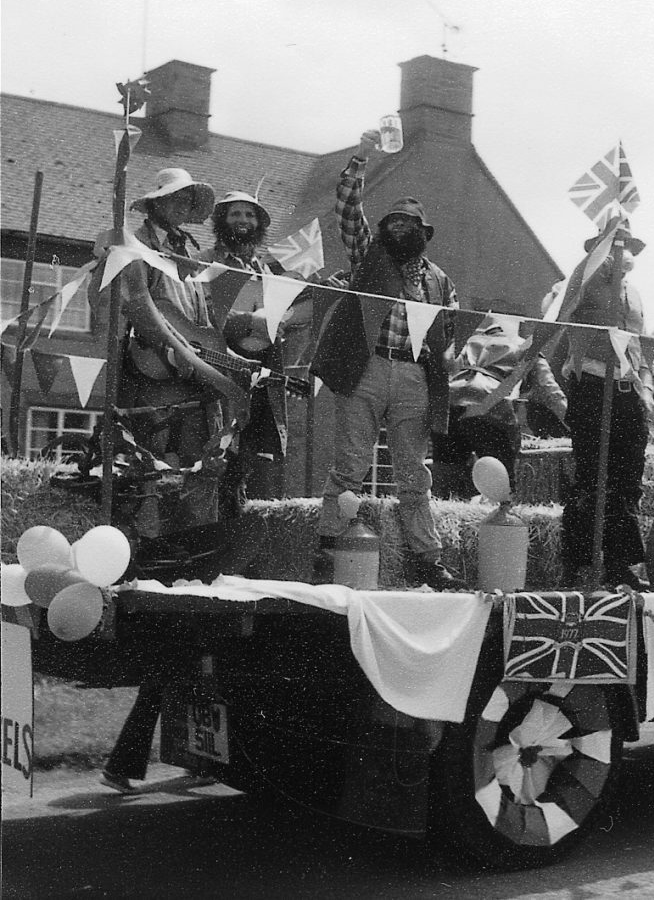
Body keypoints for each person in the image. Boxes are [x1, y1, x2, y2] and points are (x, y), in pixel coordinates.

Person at [98, 168, 225, 794]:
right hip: (157, 380)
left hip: (189, 387)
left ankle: (179, 554)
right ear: (155, 201)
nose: (182, 206)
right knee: (155, 482)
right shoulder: (136, 242)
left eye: (187, 199)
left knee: (197, 485)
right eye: (173, 197)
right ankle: (153, 557)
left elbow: (197, 319)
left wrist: (221, 363)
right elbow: (145, 314)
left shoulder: (190, 254)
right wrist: (201, 364)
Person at [311, 128, 463, 590]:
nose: (398, 227)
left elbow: (450, 332)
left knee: (414, 474)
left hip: (416, 376)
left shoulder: (440, 281)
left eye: (407, 224)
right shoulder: (367, 256)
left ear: (423, 232)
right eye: (392, 222)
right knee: (350, 464)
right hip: (368, 367)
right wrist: (361, 155)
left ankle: (427, 558)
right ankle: (327, 548)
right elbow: (347, 207)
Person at [560, 218, 654, 591]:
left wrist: (646, 385)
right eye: (613, 243)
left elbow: (638, 344)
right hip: (590, 382)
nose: (621, 251)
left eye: (625, 244)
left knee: (627, 478)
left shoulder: (634, 293)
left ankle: (619, 564)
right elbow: (563, 318)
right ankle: (577, 562)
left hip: (627, 387)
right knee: (589, 476)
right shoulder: (582, 279)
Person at [198, 191, 289, 512]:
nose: (243, 221)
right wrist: (249, 320)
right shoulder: (207, 260)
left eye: (250, 215)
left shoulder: (265, 269)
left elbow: (281, 318)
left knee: (250, 456)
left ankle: (237, 519)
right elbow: (201, 312)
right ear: (222, 219)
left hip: (261, 369)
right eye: (235, 213)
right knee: (218, 449)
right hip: (221, 365)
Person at [432, 316, 568, 498]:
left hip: (450, 406)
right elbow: (551, 392)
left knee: (445, 488)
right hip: (491, 408)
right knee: (503, 485)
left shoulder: (465, 342)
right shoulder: (526, 347)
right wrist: (575, 426)